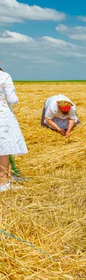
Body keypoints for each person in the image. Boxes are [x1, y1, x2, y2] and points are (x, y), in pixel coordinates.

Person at [0, 62, 28, 192]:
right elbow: (12, 100)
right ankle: (2, 183)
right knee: (3, 149)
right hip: (2, 116)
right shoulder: (4, 76)